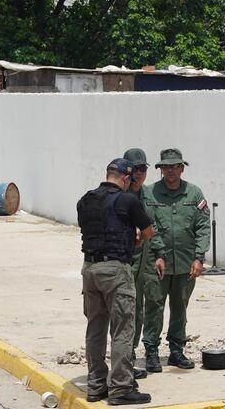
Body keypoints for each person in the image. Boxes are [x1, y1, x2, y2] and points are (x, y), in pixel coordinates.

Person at [77, 158, 154, 405]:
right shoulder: (127, 199)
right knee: (122, 329)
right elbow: (148, 231)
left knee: (95, 328)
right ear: (125, 178)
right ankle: (120, 388)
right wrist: (136, 242)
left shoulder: (85, 200)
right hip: (115, 270)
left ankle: (96, 387)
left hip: (89, 268)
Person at [142, 148, 211, 373]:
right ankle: (151, 351)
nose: (171, 171)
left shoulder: (194, 194)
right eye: (166, 167)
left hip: (185, 262)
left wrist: (199, 258)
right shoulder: (149, 194)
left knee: (180, 306)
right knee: (154, 305)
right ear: (160, 169)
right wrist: (157, 253)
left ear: (182, 168)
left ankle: (176, 350)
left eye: (175, 166)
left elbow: (202, 227)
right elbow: (146, 227)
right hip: (156, 262)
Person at [122, 148, 166, 380]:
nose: (139, 173)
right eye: (134, 169)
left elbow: (154, 226)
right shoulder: (119, 196)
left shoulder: (149, 196)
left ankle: (151, 351)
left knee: (154, 305)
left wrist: (159, 254)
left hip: (148, 260)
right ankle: (126, 357)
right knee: (131, 311)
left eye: (142, 169)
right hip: (129, 260)